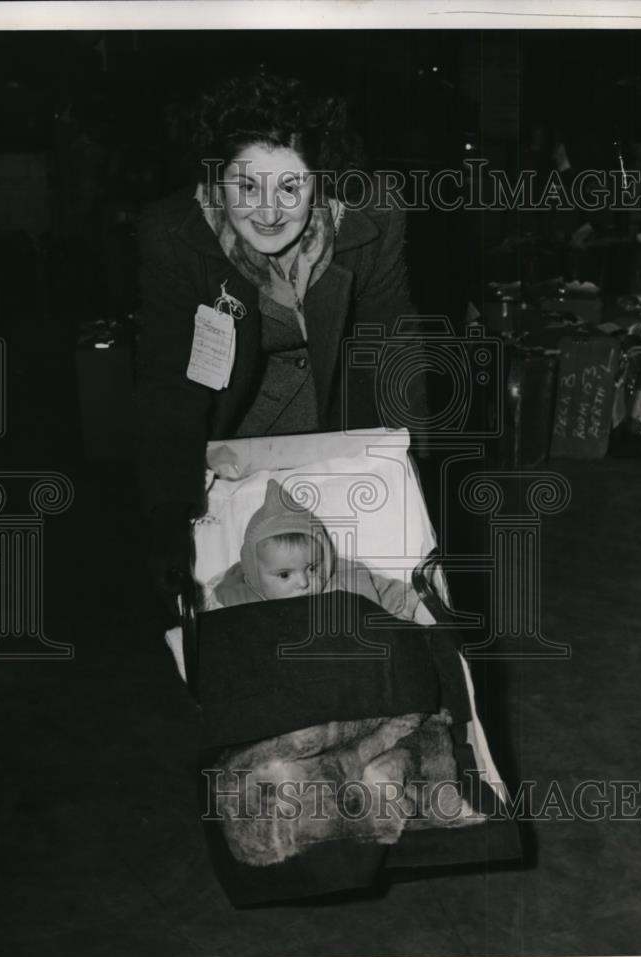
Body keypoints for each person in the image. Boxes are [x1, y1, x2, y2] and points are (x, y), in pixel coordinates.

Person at [135, 72, 427, 615]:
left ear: (320, 179)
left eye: (291, 187)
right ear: (216, 180)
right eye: (246, 186)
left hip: (337, 416)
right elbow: (168, 380)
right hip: (233, 429)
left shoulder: (373, 219)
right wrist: (170, 512)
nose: (268, 213)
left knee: (354, 597)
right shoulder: (171, 234)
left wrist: (417, 477)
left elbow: (393, 349)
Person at [208, 479, 432, 624]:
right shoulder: (235, 599)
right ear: (254, 574)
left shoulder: (346, 579)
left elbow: (390, 594)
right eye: (285, 575)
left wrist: (418, 605)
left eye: (313, 568)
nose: (304, 583)